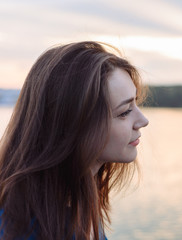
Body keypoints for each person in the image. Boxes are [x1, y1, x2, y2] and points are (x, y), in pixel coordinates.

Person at [0, 41, 149, 239]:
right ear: (73, 124)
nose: (143, 121)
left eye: (135, 103)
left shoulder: (75, 205)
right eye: (124, 112)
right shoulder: (22, 228)